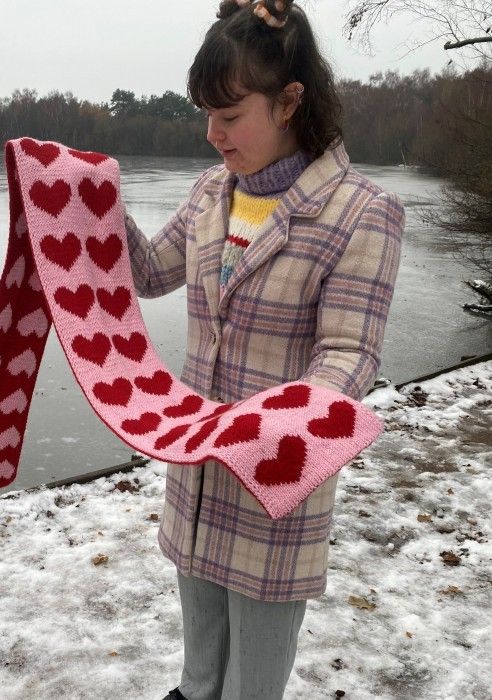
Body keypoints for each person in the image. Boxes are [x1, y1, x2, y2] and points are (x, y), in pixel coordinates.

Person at [122, 1, 405, 698]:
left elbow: (349, 355)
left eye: (229, 116)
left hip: (273, 483)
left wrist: (266, 427)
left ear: (289, 102)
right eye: (206, 116)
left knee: (253, 681)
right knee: (199, 668)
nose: (212, 135)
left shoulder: (361, 212)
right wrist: (84, 207)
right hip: (196, 474)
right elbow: (149, 271)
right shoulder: (211, 195)